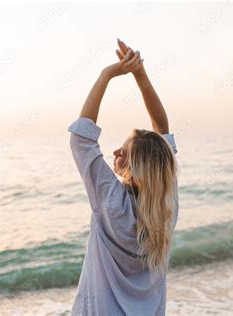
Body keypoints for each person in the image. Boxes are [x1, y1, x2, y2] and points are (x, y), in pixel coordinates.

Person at [68, 38, 179, 315]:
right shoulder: (167, 206)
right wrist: (140, 75)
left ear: (135, 167)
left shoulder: (112, 201)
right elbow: (162, 128)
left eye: (124, 150)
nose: (115, 151)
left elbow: (82, 139)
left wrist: (106, 75)